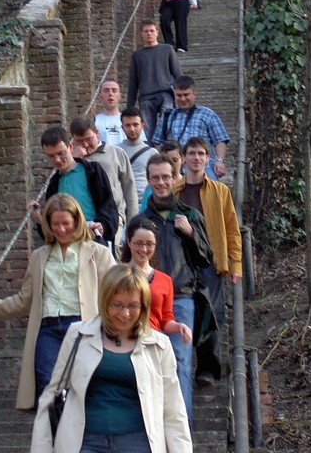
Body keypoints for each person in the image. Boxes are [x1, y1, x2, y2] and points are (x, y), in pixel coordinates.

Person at [30, 264, 193, 453]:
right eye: (117, 305)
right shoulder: (78, 335)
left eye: (133, 306)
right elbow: (51, 395)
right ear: (105, 302)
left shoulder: (159, 345)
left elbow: (174, 411)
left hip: (139, 443)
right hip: (84, 442)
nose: (125, 314)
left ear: (144, 306)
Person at [0, 194, 114, 409]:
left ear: (77, 222)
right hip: (48, 329)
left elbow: (114, 293)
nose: (61, 230)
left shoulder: (99, 254)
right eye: (55, 224)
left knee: (81, 387)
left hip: (82, 326)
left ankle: (79, 439)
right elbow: (24, 301)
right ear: (48, 225)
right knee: (48, 389)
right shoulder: (39, 256)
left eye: (66, 223)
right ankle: (57, 439)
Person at [141, 153, 212, 421]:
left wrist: (191, 235)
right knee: (148, 366)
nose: (160, 183)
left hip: (181, 297)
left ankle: (183, 436)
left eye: (165, 177)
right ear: (148, 180)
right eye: (155, 178)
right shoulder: (142, 220)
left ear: (175, 178)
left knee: (180, 363)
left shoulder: (189, 215)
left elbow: (205, 258)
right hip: (146, 297)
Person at [177, 137, 242, 387]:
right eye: (191, 153)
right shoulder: (174, 191)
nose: (195, 158)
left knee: (210, 316)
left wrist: (235, 263)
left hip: (211, 262)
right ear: (183, 158)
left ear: (208, 158)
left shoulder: (220, 191)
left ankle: (207, 370)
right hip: (182, 262)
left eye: (201, 153)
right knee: (183, 313)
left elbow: (232, 230)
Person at [33, 126, 118, 244]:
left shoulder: (93, 171)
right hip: (67, 240)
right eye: (51, 156)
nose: (57, 160)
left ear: (71, 147)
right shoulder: (53, 184)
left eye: (61, 153)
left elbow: (108, 205)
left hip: (93, 236)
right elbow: (51, 231)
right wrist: (39, 220)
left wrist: (102, 224)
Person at [69, 115, 138, 250]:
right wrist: (73, 159)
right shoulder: (73, 161)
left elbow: (129, 188)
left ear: (97, 133)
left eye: (89, 139)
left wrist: (134, 223)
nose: (85, 145)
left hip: (113, 216)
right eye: (80, 141)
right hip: (82, 220)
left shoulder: (116, 153)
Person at [121, 216, 192, 344]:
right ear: (128, 242)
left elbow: (165, 320)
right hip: (123, 339)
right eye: (138, 243)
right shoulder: (117, 275)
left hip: (151, 342)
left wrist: (179, 326)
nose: (143, 249)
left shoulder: (165, 280)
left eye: (149, 244)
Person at [151, 75, 229, 181]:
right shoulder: (167, 116)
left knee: (214, 194)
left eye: (186, 95)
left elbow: (220, 140)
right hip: (176, 170)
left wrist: (220, 160)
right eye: (179, 95)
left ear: (194, 94)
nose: (183, 99)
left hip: (204, 167)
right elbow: (158, 142)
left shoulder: (208, 114)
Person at [127, 20, 181, 139]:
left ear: (157, 32)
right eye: (146, 31)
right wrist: (130, 106)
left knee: (167, 127)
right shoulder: (137, 55)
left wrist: (180, 96)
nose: (149, 34)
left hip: (165, 93)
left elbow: (177, 74)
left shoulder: (167, 49)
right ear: (141, 33)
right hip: (146, 96)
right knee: (148, 131)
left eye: (152, 30)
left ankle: (168, 153)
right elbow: (133, 82)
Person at [117, 107, 155, 202]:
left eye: (135, 125)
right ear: (122, 127)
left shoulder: (153, 153)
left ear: (142, 126)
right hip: (123, 203)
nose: (132, 129)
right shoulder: (115, 151)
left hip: (145, 203)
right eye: (128, 125)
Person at [138, 139, 184, 212]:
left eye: (175, 160)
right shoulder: (151, 188)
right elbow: (143, 212)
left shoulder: (187, 185)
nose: (171, 164)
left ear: (182, 160)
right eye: (167, 160)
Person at [93, 80, 126, 144]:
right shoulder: (94, 122)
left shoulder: (128, 121)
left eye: (114, 90)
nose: (110, 94)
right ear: (100, 96)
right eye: (106, 91)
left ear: (120, 96)